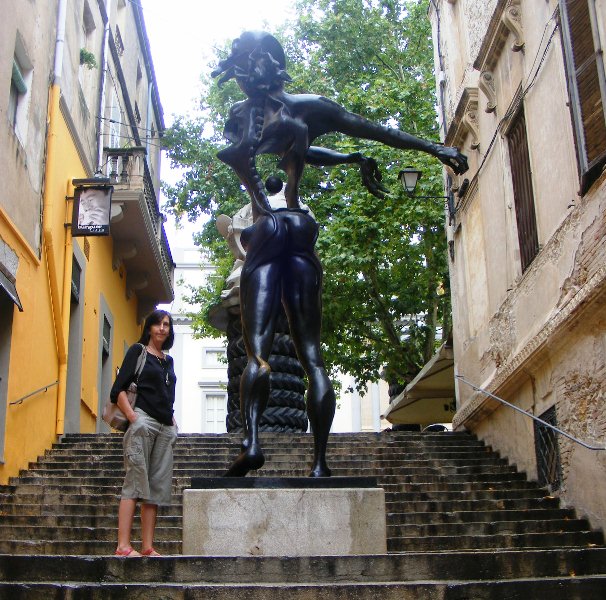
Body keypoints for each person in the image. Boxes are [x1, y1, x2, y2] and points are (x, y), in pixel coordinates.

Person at [212, 32, 469, 479]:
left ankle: (251, 442)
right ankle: (319, 463)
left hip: (265, 228)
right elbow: (373, 131)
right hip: (299, 225)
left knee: (258, 354)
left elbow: (266, 153)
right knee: (312, 357)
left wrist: (348, 158)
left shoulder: (239, 117)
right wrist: (435, 150)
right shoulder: (305, 108)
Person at [109, 309, 178, 557]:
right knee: (135, 483)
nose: (162, 328)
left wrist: (172, 420)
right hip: (143, 422)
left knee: (156, 488)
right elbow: (118, 390)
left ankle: (147, 547)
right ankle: (123, 546)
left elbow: (167, 395)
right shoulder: (138, 352)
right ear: (149, 327)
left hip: (164, 427)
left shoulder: (168, 361)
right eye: (158, 324)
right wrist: (133, 417)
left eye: (166, 324)